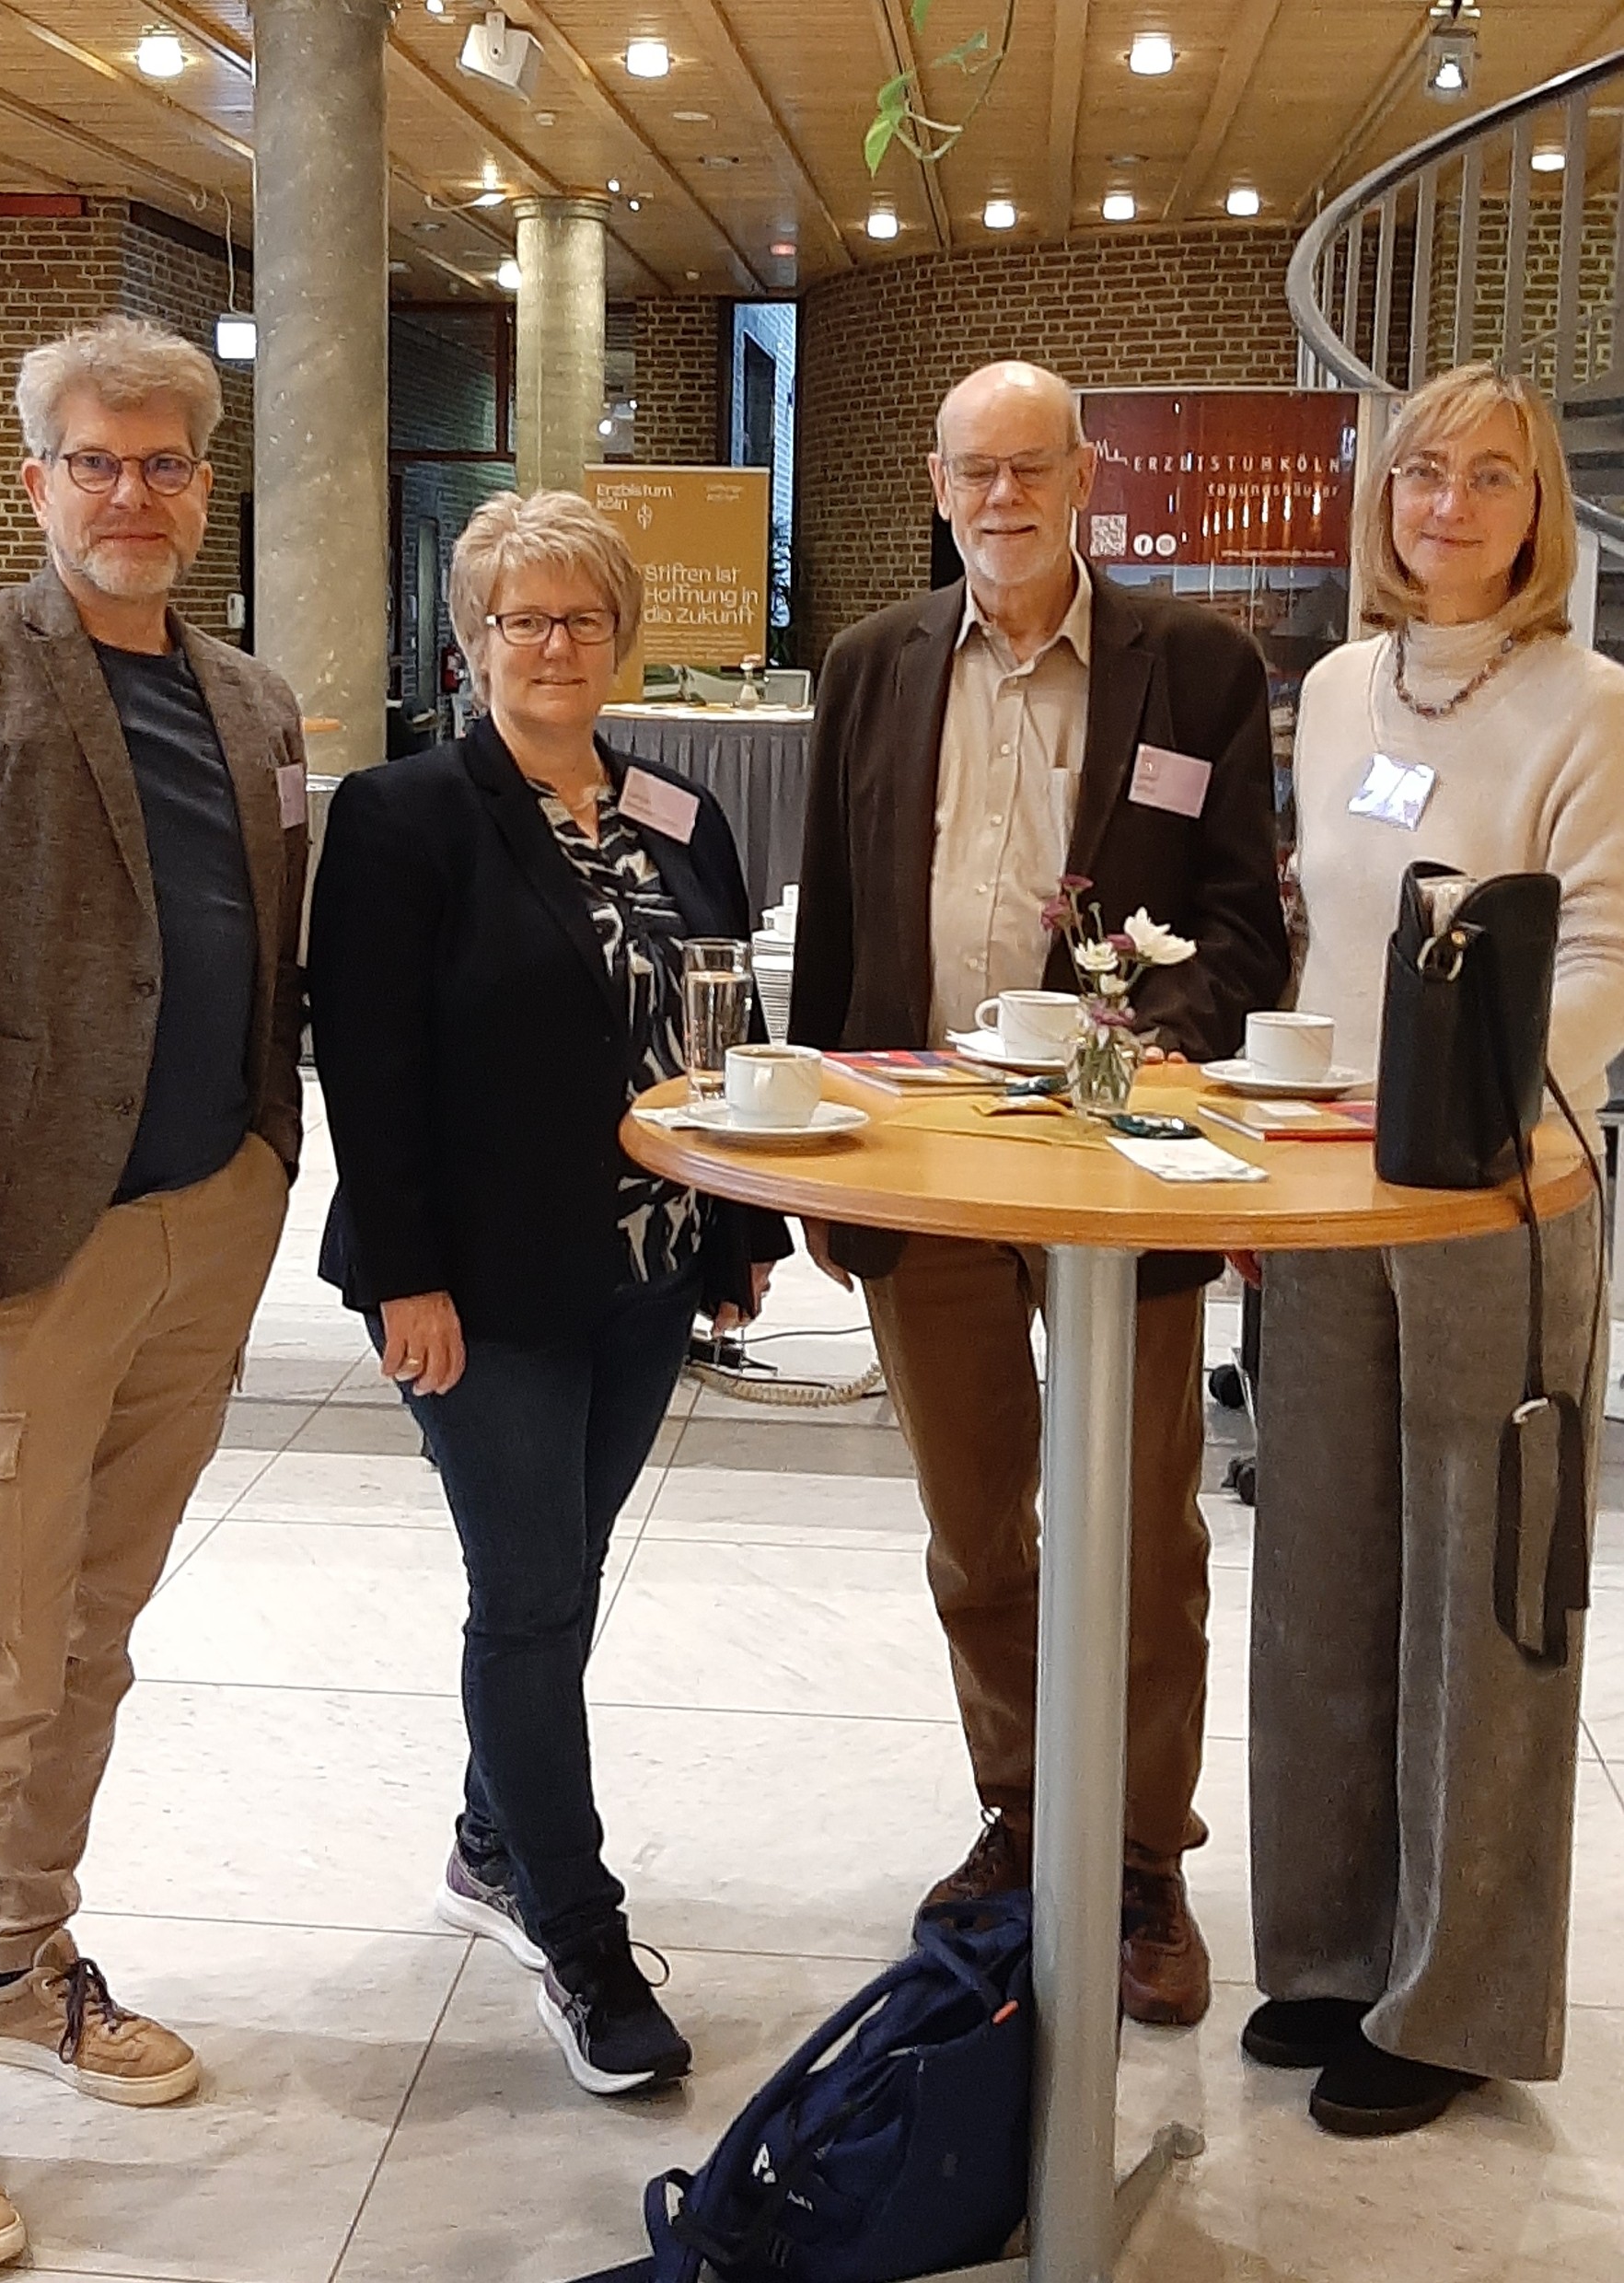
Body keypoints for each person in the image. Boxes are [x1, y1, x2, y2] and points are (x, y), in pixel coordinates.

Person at [788, 359, 1289, 2026]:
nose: (1002, 499)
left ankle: (1140, 1856)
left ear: (1085, 478)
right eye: (973, 474)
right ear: (938, 489)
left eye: (1032, 469)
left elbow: (1242, 928)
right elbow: (840, 921)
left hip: (1114, 1167)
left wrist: (1138, 1038)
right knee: (971, 1528)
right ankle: (1022, 1810)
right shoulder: (868, 665)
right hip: (921, 1162)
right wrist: (813, 1147)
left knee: (1142, 1533)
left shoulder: (1200, 666)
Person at [0, 315, 306, 2273]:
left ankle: (15, 1957)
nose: (132, 493)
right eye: (97, 462)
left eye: (164, 463)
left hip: (202, 1217)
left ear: (205, 486)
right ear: (36, 479)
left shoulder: (248, 697)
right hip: (16, 1246)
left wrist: (266, 1168)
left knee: (93, 1628)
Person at [310, 489, 788, 2099]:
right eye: (523, 618)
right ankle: (579, 1934)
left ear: (623, 637)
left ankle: (486, 1831)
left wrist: (734, 1243)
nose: (556, 644)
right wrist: (407, 1281)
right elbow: (368, 1073)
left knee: (562, 1577)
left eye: (584, 617)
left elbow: (719, 1049)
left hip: (648, 1273)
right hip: (486, 1289)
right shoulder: (406, 813)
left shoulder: (682, 810)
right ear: (471, 643)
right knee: (528, 1597)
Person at [1246, 365, 1624, 2136]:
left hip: (1499, 1196)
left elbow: (1603, 954)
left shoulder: (1590, 702)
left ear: (1537, 511)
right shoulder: (1333, 689)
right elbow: (1329, 942)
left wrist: (1480, 1133)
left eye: (1489, 479)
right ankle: (1329, 1956)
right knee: (1324, 1568)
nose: (1449, 508)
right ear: (1382, 502)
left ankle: (1458, 1993)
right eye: (1419, 475)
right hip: (1331, 1189)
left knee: (1486, 1596)